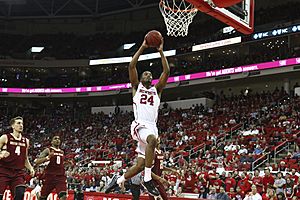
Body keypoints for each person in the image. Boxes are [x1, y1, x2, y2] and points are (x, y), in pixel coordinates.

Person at [105, 36, 170, 197]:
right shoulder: (136, 87)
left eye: (150, 74)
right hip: (140, 125)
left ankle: (119, 179)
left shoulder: (157, 90)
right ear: (140, 78)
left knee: (140, 164)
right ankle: (147, 179)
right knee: (152, 141)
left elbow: (166, 71)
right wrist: (142, 46)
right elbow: (131, 65)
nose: (148, 75)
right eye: (145, 73)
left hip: (152, 127)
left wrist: (161, 52)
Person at [0, 116, 35, 200]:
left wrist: (30, 168)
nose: (21, 125)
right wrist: (1, 154)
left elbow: (25, 158)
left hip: (18, 173)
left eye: (22, 123)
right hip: (3, 171)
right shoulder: (5, 137)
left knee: (20, 193)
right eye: (18, 123)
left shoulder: (26, 141)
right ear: (12, 126)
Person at [35, 136, 67, 200]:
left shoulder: (62, 152)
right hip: (49, 176)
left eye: (58, 139)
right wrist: (48, 157)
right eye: (55, 139)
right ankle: (38, 194)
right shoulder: (48, 150)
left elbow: (59, 163)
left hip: (60, 177)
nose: (57, 140)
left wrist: (66, 164)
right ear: (52, 142)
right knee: (43, 198)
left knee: (63, 196)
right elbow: (37, 161)